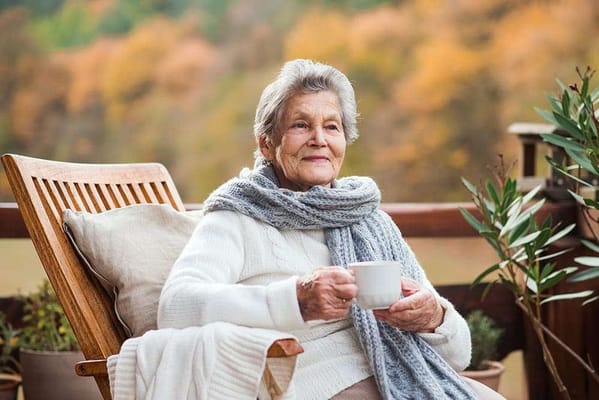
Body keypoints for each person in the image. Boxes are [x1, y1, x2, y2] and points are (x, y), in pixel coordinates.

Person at [158, 59, 504, 399]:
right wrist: (296, 298)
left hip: (399, 370)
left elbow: (458, 354)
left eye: (332, 127)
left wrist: (433, 318)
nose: (319, 139)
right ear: (266, 143)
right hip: (306, 380)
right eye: (300, 125)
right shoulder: (236, 218)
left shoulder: (369, 219)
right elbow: (174, 307)